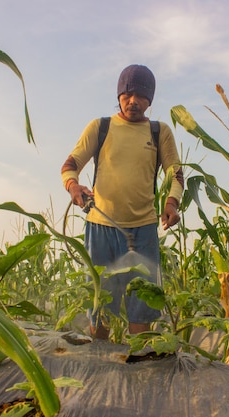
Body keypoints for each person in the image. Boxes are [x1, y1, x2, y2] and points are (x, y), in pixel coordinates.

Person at [61, 64, 184, 340]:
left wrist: (171, 204)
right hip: (101, 228)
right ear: (119, 96)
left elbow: (175, 173)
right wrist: (73, 186)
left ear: (150, 100)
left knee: (141, 305)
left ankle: (139, 363)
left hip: (143, 231)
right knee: (100, 304)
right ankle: (99, 368)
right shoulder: (101, 127)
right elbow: (70, 164)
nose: (133, 101)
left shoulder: (158, 132)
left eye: (141, 96)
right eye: (127, 94)